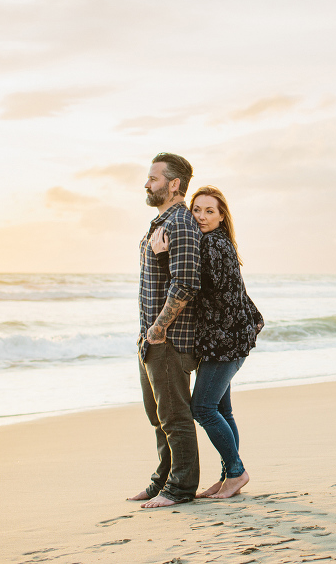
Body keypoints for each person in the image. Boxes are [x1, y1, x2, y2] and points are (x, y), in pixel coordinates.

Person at [151, 185, 263, 499]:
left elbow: (193, 286)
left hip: (224, 342)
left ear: (222, 215)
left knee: (202, 408)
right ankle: (230, 476)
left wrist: (163, 258)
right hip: (231, 337)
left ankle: (237, 472)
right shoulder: (219, 242)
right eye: (196, 210)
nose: (201, 216)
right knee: (222, 411)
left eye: (209, 211)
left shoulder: (212, 244)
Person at [128, 153, 203, 508]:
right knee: (157, 415)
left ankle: (182, 487)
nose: (146, 184)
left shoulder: (181, 224)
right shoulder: (162, 221)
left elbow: (186, 282)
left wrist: (158, 329)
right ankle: (163, 480)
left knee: (174, 416)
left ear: (174, 185)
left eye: (153, 178)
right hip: (152, 337)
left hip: (170, 339)